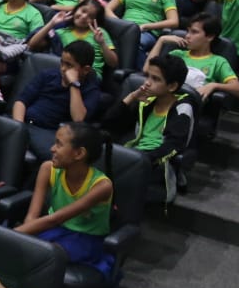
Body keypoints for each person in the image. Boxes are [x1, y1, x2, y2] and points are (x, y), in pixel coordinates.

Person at [15, 121, 114, 273]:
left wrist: (12, 235)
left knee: (42, 255)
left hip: (84, 239)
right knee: (22, 249)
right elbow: (32, 216)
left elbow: (57, 218)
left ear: (79, 153)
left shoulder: (101, 186)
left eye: (59, 144)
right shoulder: (47, 168)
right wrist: (20, 238)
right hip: (53, 229)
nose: (52, 148)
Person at [103, 55, 193, 203]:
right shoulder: (147, 102)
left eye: (155, 79)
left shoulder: (183, 109)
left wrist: (139, 160)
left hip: (158, 165)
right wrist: (132, 96)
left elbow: (173, 147)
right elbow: (109, 122)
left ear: (172, 86)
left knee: (106, 181)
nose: (147, 83)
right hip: (136, 154)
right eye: (147, 76)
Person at [12, 42, 101, 154]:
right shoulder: (48, 75)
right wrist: (19, 128)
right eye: (62, 63)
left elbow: (78, 119)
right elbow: (21, 102)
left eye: (69, 65)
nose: (63, 69)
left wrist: (74, 85)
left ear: (86, 70)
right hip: (22, 122)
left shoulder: (91, 90)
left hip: (48, 132)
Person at [148, 13, 239, 101]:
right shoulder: (177, 54)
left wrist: (213, 85)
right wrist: (161, 40)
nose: (187, 36)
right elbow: (147, 69)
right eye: (188, 31)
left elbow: (238, 90)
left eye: (194, 32)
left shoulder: (218, 61)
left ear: (209, 36)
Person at [27, 0, 118, 78]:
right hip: (62, 73)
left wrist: (102, 43)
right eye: (83, 11)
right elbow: (32, 45)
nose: (84, 17)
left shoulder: (99, 33)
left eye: (90, 16)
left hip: (88, 77)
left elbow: (113, 63)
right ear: (76, 9)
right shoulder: (62, 32)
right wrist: (52, 23)